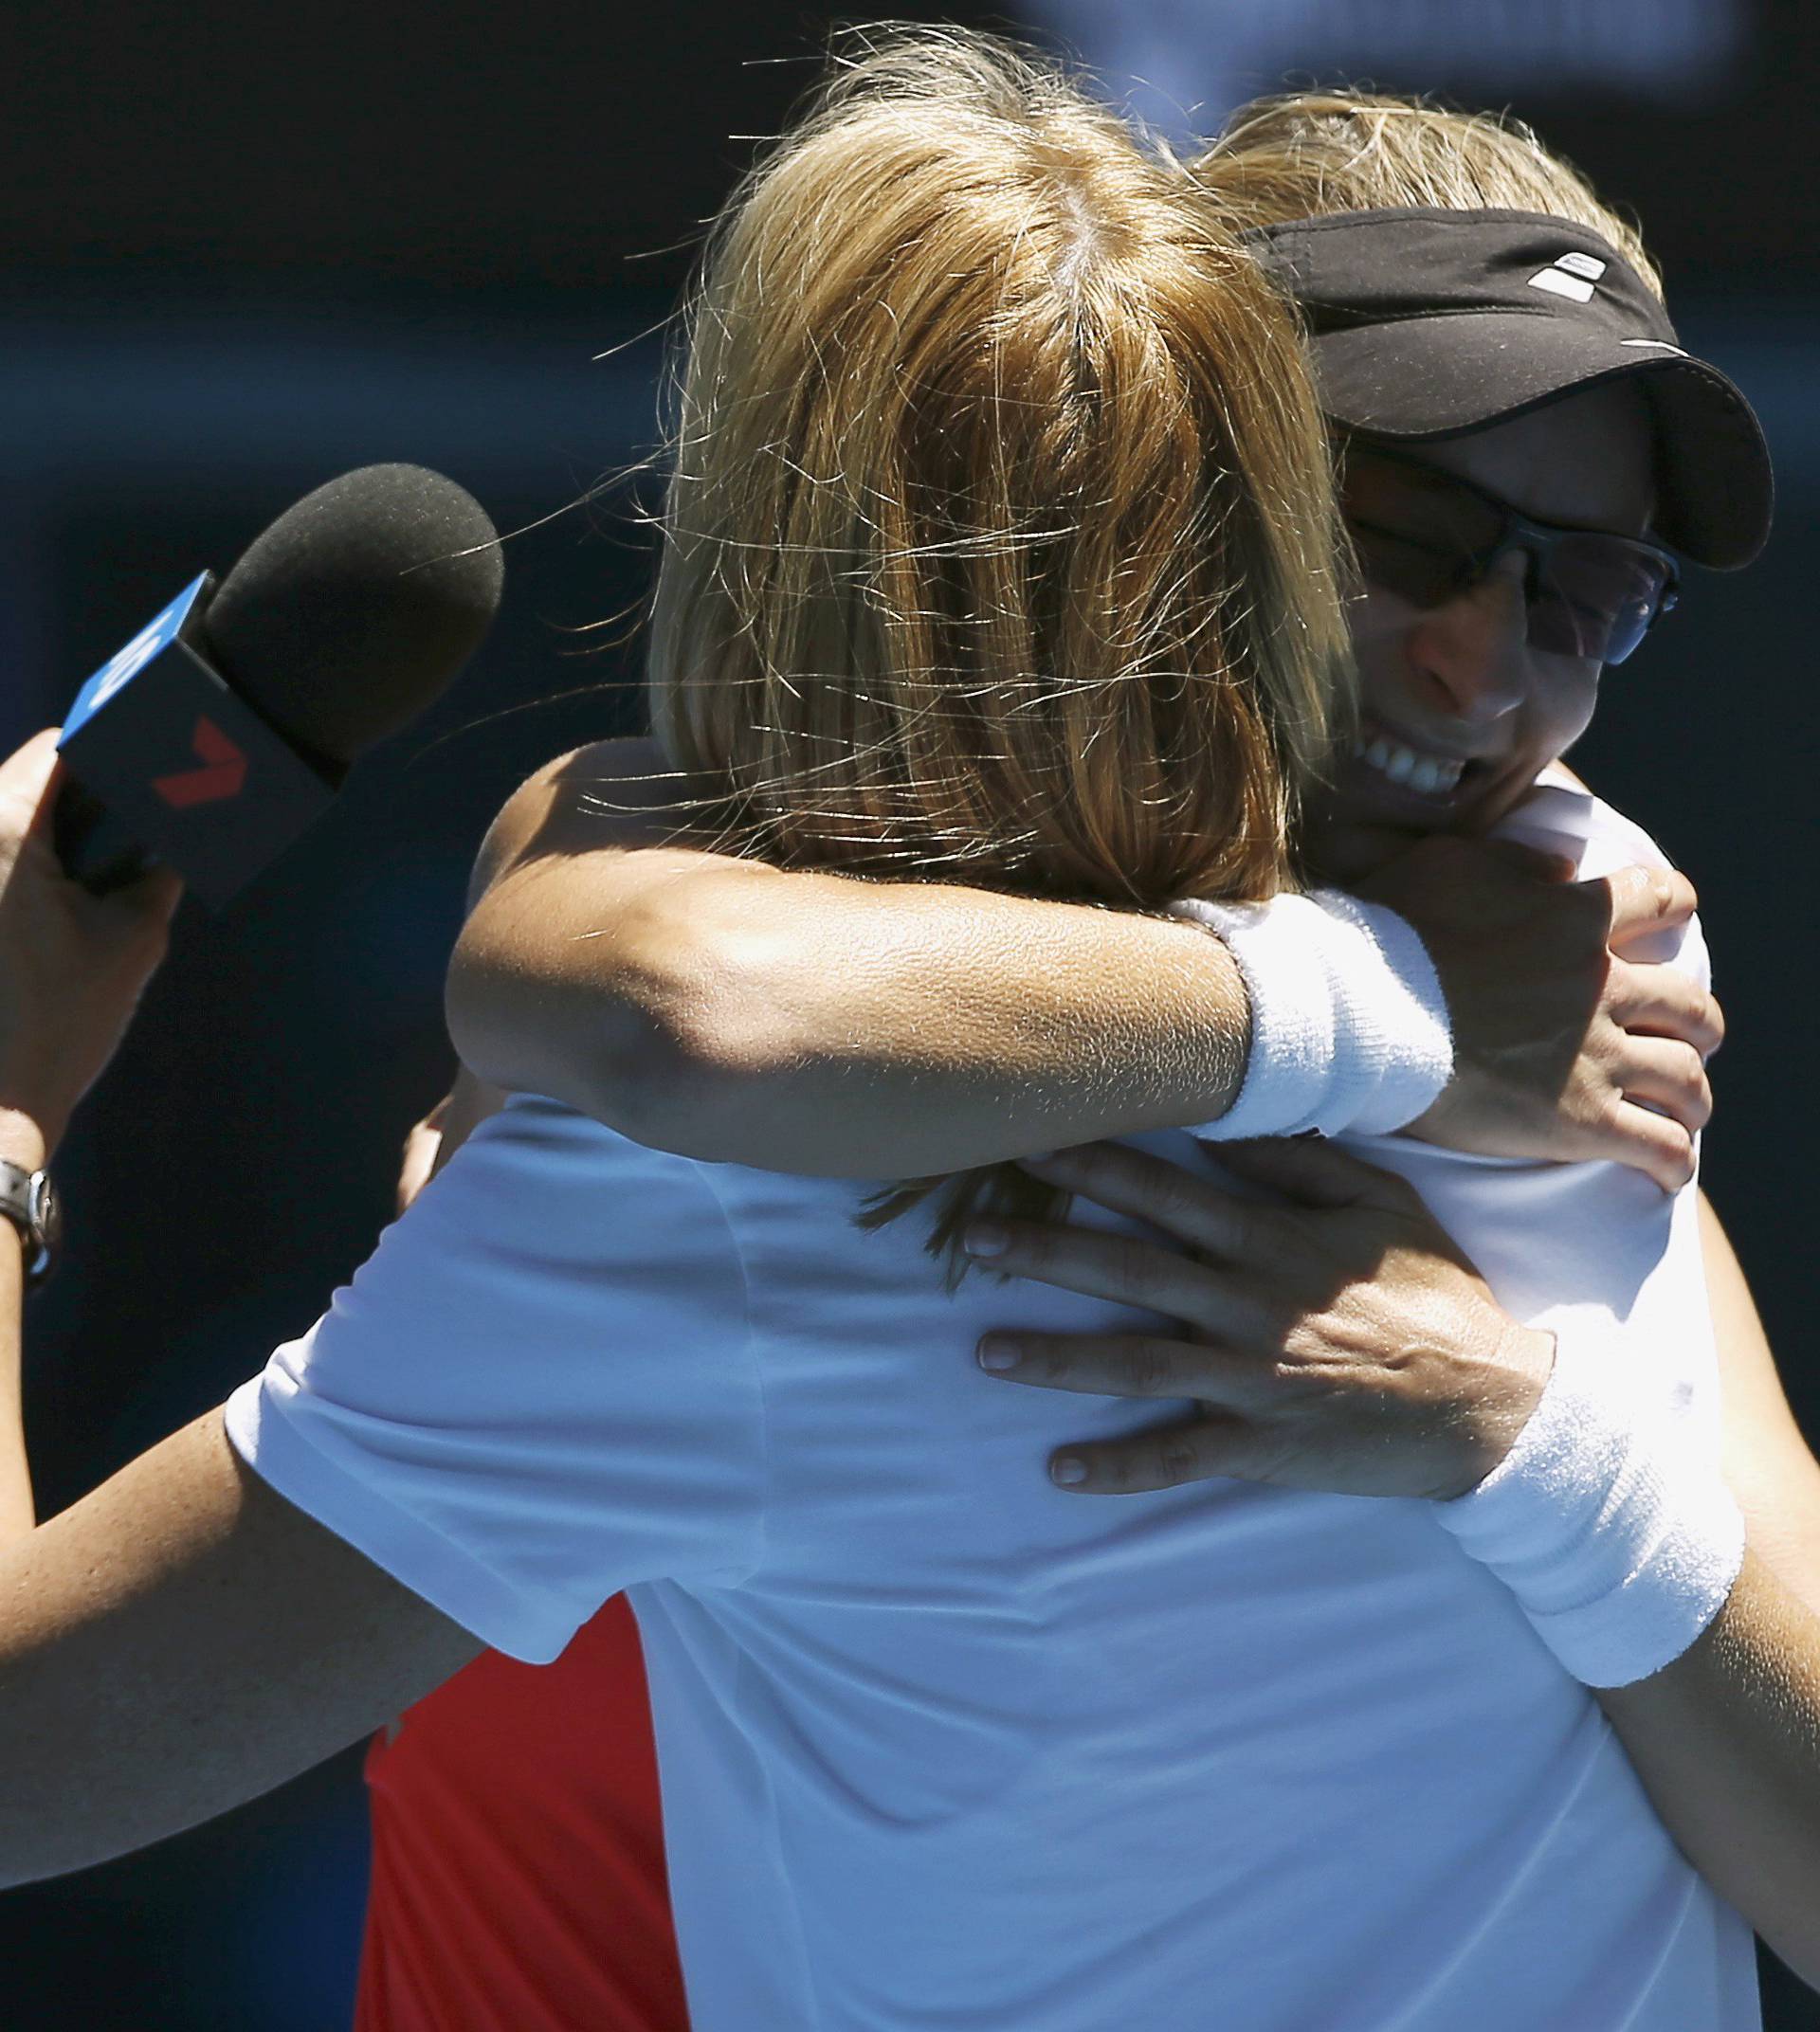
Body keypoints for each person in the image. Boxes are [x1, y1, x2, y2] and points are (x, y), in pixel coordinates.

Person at [0, 37, 1792, 2032]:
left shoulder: (1576, 998)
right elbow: (669, 989)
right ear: (1177, 496)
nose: (1488, 673)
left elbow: (657, 996)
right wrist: (1412, 1020)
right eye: (1404, 526)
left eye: (1590, 594)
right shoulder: (1542, 1007)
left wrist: (1530, 1443)